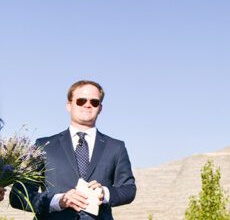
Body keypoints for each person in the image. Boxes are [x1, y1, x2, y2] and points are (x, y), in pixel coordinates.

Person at [10, 80, 136, 219]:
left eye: (94, 102)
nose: (88, 104)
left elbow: (128, 189)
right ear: (69, 105)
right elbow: (19, 195)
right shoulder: (43, 146)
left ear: (100, 108)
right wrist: (58, 201)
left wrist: (104, 193)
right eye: (81, 100)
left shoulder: (116, 147)